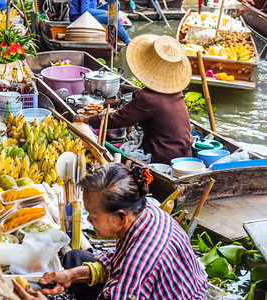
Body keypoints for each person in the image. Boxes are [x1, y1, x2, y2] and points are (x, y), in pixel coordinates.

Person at [13, 163, 208, 300]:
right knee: (75, 259)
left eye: (93, 216)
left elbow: (129, 268)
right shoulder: (143, 210)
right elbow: (117, 259)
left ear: (121, 217)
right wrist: (71, 276)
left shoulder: (136, 264)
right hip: (157, 285)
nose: (87, 220)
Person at [74, 34, 193, 164]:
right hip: (185, 153)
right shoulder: (176, 92)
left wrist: (87, 119)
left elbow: (117, 119)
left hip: (162, 159)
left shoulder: (147, 98)